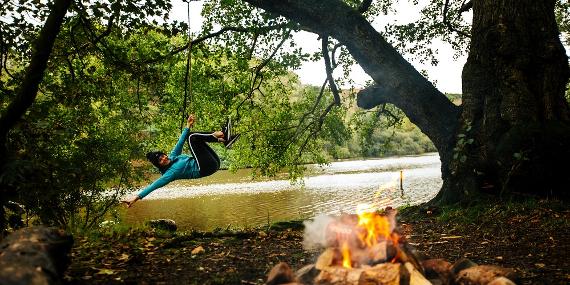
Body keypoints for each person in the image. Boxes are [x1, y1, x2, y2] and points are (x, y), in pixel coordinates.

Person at [121, 114, 239, 208]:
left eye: (162, 155)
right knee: (192, 138)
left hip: (214, 162)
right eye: (160, 160)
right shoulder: (170, 174)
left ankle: (225, 140)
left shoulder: (173, 156)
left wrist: (188, 125)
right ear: (158, 165)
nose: (163, 158)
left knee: (195, 138)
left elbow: (181, 141)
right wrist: (136, 197)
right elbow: (153, 186)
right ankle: (223, 135)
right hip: (205, 168)